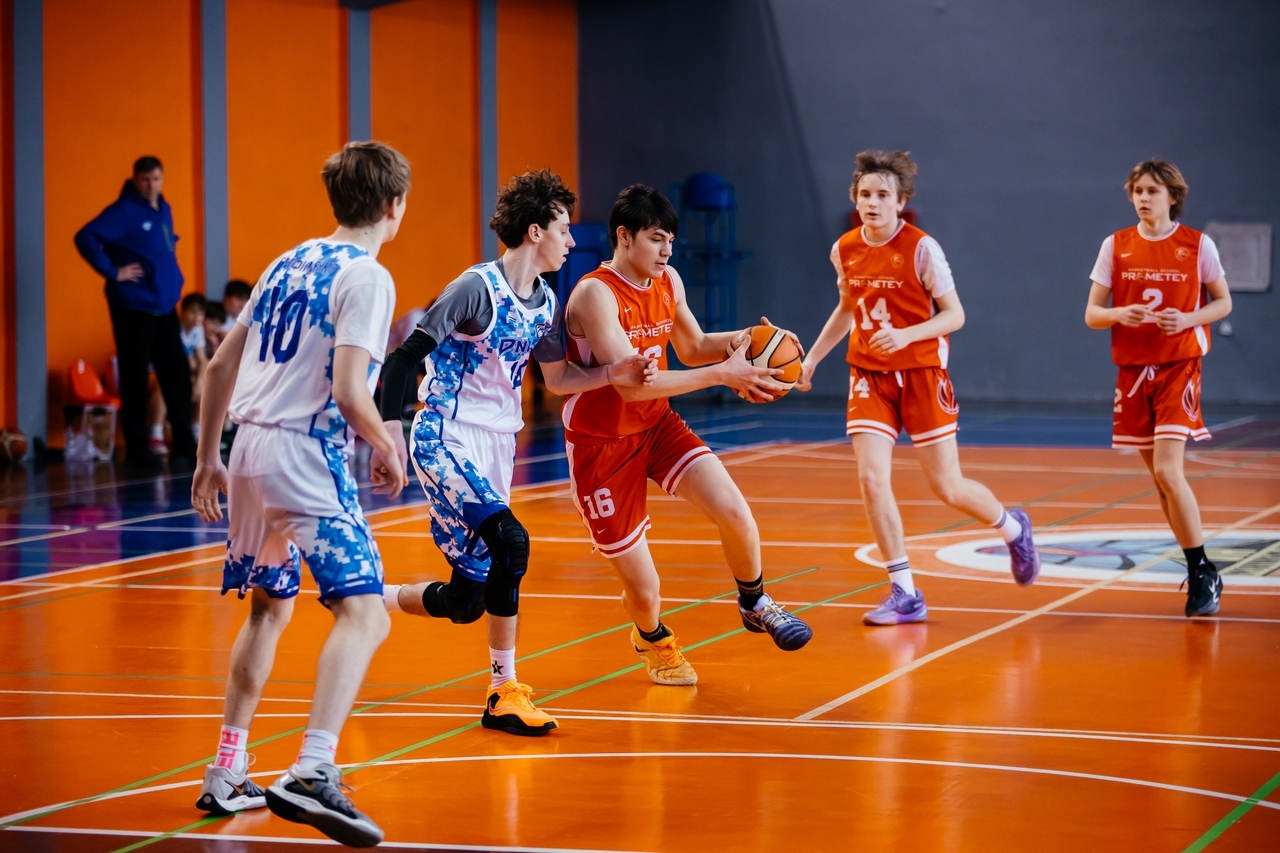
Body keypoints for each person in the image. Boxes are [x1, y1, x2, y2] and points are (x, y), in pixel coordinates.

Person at [379, 170, 658, 735]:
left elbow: (558, 379)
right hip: (446, 434)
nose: (571, 240)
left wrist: (615, 373)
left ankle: (367, 596)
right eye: (563, 229)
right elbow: (403, 359)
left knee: (467, 600)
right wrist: (387, 432)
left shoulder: (546, 302)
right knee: (512, 542)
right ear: (535, 232)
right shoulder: (475, 289)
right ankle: (502, 693)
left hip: (497, 446)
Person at [190, 141, 411, 847]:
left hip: (247, 450)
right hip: (302, 453)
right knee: (365, 613)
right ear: (394, 205)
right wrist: (387, 444)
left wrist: (207, 457)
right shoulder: (368, 276)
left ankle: (227, 770)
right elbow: (348, 391)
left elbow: (219, 365)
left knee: (269, 608)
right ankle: (313, 769)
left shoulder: (288, 261)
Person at [561, 184, 813, 687]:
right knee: (646, 591)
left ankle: (755, 602)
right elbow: (630, 385)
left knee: (735, 511)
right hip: (601, 443)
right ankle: (652, 639)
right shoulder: (595, 294)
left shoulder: (668, 281)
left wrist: (749, 342)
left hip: (656, 425)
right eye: (657, 239)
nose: (667, 252)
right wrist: (724, 374)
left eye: (671, 241)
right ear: (624, 236)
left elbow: (694, 346)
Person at [796, 150, 1041, 625]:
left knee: (946, 486)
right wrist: (812, 359)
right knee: (871, 479)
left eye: (882, 195)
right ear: (855, 198)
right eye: (865, 194)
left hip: (922, 374)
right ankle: (905, 592)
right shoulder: (844, 248)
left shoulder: (923, 249)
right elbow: (847, 308)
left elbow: (955, 315)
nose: (873, 203)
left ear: (900, 202)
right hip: (868, 374)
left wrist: (907, 335)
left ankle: (1014, 528)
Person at [1084, 159, 1232, 617]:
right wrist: (1117, 313)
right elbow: (1092, 314)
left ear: (1172, 196)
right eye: (1138, 191)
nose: (1143, 198)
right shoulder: (1116, 245)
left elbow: (1223, 302)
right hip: (1133, 372)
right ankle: (1202, 567)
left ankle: (1201, 570)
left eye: (1152, 190)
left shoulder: (1197, 245)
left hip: (1179, 366)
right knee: (1161, 481)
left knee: (1169, 471)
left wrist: (1188, 318)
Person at [74, 155, 196, 470]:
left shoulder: (163, 209)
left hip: (164, 306)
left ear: (162, 178)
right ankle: (138, 450)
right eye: (145, 179)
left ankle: (185, 445)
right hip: (133, 306)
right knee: (135, 378)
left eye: (156, 179)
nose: (151, 185)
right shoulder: (124, 210)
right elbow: (85, 237)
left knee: (177, 375)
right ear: (135, 179)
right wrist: (113, 271)